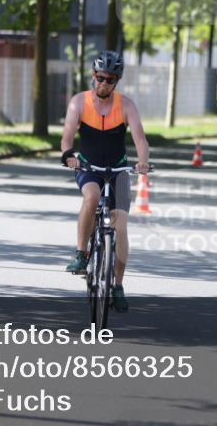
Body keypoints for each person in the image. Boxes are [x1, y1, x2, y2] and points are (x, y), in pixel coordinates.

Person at [60, 50, 150, 313]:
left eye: (110, 79)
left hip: (119, 169)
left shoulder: (126, 105)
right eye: (100, 77)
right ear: (93, 75)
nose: (104, 83)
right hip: (89, 166)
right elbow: (67, 136)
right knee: (92, 197)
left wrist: (142, 162)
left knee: (120, 225)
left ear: (117, 81)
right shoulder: (79, 103)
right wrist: (68, 155)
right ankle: (81, 253)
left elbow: (141, 140)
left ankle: (118, 285)